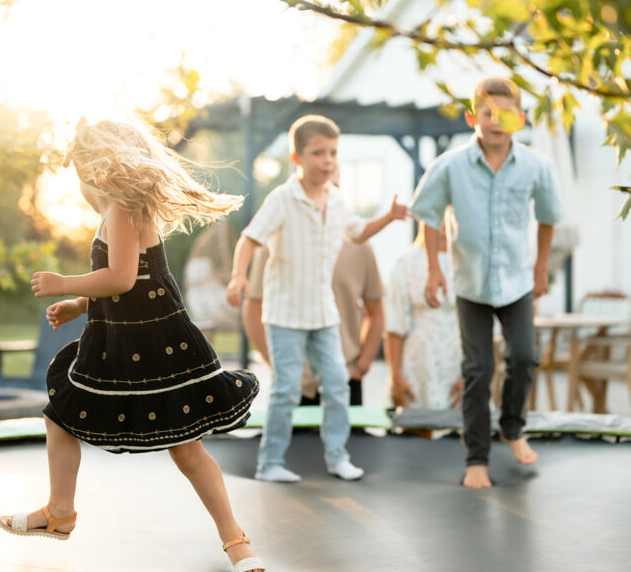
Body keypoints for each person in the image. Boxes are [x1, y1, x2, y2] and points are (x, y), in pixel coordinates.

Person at [0, 118, 266, 572]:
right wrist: (81, 303)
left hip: (154, 343)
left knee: (185, 449)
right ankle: (59, 511)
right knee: (60, 413)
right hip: (124, 338)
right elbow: (135, 282)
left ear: (93, 168)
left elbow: (121, 278)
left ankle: (236, 540)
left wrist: (66, 282)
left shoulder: (122, 208)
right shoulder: (121, 210)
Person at [226, 114, 408, 483]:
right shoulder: (282, 199)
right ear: (297, 158)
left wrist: (388, 217)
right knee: (287, 389)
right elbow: (250, 238)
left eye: (333, 153)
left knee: (338, 384)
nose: (327, 161)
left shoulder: (337, 200)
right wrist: (238, 275)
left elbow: (357, 233)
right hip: (286, 314)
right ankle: (271, 463)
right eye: (318, 153)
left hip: (323, 314)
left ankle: (338, 456)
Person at [411, 78, 563, 489]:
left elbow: (549, 217)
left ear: (522, 118)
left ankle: (512, 428)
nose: (496, 121)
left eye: (505, 113)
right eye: (487, 113)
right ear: (471, 117)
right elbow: (426, 213)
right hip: (471, 285)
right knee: (478, 369)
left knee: (525, 358)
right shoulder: (449, 166)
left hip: (517, 283)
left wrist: (541, 267)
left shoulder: (537, 166)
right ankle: (476, 458)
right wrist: (434, 268)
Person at [244, 238, 385, 405]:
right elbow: (253, 308)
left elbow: (376, 311)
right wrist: (276, 364)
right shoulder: (273, 244)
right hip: (291, 381)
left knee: (346, 432)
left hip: (346, 378)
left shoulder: (360, 247)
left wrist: (362, 366)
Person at [384, 220, 462, 412]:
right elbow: (395, 324)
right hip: (417, 368)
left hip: (458, 368)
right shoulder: (406, 261)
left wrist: (472, 377)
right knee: (417, 431)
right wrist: (396, 376)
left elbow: (484, 327)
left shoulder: (467, 262)